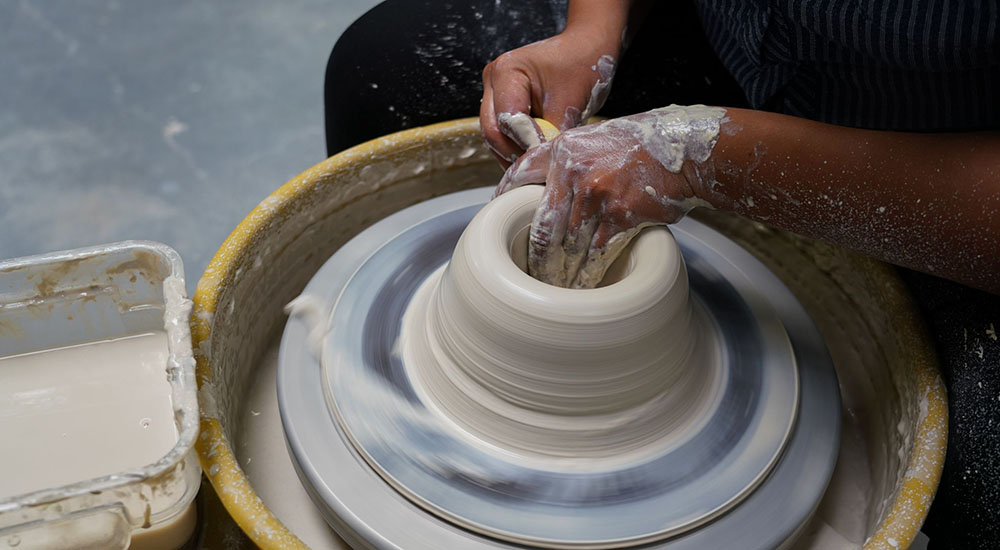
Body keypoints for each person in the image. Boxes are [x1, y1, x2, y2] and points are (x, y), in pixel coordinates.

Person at [324, 1, 1000, 547]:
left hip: (941, 161)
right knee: (381, 68)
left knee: (983, 486)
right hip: (722, 45)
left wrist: (708, 159)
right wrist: (594, 31)